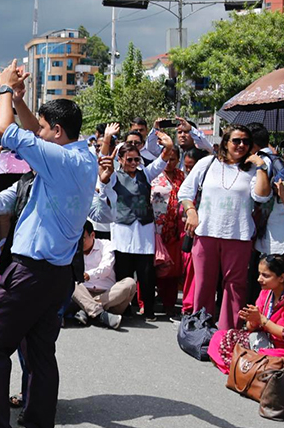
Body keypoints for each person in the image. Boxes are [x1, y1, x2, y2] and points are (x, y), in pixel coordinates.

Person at [0, 59, 97, 428]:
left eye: (46, 130)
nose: (41, 133)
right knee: (39, 355)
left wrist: (3, 89)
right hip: (54, 275)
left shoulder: (62, 161)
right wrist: (18, 98)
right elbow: (36, 129)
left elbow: (7, 131)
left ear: (58, 133)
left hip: (32, 272)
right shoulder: (78, 158)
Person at [177, 124, 271, 329]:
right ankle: (200, 328)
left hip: (238, 235)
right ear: (226, 143)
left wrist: (262, 166)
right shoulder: (207, 163)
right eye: (236, 140)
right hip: (206, 233)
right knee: (204, 284)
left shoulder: (254, 169)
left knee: (234, 287)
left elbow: (262, 196)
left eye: (246, 141)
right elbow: (185, 192)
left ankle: (228, 333)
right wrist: (191, 212)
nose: (241, 145)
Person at [99, 132, 173, 319]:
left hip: (144, 231)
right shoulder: (115, 177)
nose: (133, 163)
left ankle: (148, 310)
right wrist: (106, 167)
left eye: (136, 159)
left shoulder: (145, 175)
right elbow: (104, 177)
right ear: (121, 160)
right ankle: (123, 309)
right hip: (123, 231)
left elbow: (160, 162)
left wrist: (168, 147)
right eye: (129, 160)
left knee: (146, 274)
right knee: (124, 273)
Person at [208, 253, 284, 374]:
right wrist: (253, 320)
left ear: (281, 278)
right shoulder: (265, 293)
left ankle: (241, 368)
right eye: (259, 274)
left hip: (281, 348)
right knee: (219, 336)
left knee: (267, 356)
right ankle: (243, 369)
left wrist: (261, 319)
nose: (259, 279)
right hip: (260, 340)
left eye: (265, 275)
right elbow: (250, 328)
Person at [69, 221, 136, 329]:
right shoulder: (74, 248)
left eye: (83, 238)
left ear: (93, 235)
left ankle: (88, 310)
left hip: (109, 297)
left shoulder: (106, 245)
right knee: (71, 281)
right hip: (84, 294)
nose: (80, 242)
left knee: (130, 283)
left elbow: (106, 268)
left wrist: (88, 275)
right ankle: (100, 315)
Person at [150, 141, 187, 318]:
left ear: (178, 160)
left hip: (175, 231)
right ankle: (146, 303)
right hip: (155, 230)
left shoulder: (183, 177)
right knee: (152, 268)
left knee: (172, 270)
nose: (169, 163)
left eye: (173, 159)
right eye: (167, 159)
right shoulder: (154, 175)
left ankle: (169, 304)